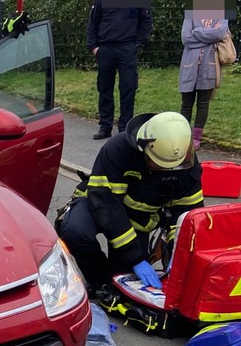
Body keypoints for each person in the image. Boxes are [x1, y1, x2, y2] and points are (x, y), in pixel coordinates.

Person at [55, 111, 203, 296]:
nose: (168, 169)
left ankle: (113, 281)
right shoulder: (118, 149)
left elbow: (188, 213)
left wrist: (178, 253)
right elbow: (106, 204)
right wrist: (135, 258)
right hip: (97, 202)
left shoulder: (182, 158)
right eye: (160, 164)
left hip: (139, 219)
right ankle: (100, 281)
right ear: (145, 149)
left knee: (125, 281)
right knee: (76, 232)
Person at [86, 0, 152, 139]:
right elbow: (93, 22)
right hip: (105, 48)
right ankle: (105, 126)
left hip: (127, 48)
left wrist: (138, 43)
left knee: (128, 88)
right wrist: (94, 47)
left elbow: (146, 21)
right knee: (104, 88)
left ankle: (125, 128)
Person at [179, 14, 228, 149]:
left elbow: (220, 33)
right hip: (189, 66)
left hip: (210, 67)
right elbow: (185, 38)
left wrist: (197, 32)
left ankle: (196, 137)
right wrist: (209, 38)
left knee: (203, 104)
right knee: (186, 104)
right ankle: (183, 135)